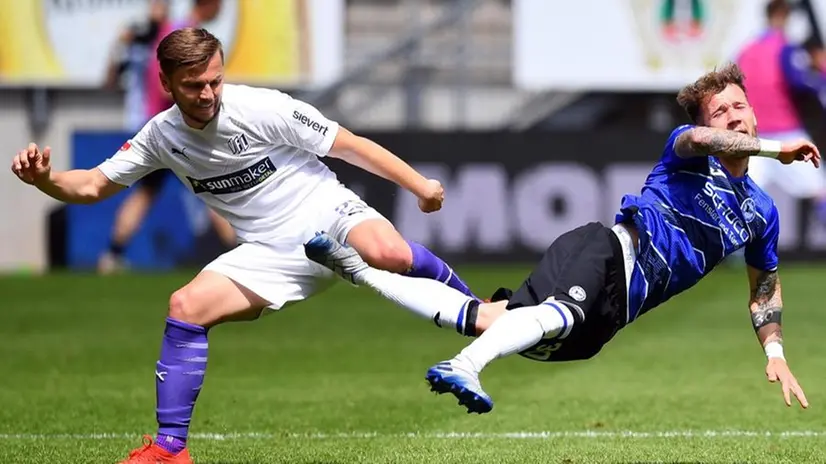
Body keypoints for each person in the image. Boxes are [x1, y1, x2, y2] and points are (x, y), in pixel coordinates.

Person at [11, 28, 476, 463]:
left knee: (388, 254)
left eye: (215, 80)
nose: (208, 93)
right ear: (166, 83)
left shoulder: (261, 108)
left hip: (325, 212)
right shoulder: (160, 136)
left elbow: (349, 145)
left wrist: (421, 186)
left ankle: (480, 313)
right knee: (186, 305)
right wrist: (45, 180)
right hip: (268, 251)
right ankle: (171, 450)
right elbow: (92, 185)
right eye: (193, 85)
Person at [304, 63, 815, 416]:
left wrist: (775, 353)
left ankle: (358, 269)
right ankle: (464, 367)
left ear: (754, 112)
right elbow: (703, 139)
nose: (732, 116)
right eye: (720, 110)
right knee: (557, 315)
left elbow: (764, 286)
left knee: (490, 319)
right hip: (610, 251)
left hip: (620, 312)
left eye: (739, 106)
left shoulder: (761, 212)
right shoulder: (687, 149)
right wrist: (776, 150)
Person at [98, 0, 235, 274]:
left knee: (146, 193)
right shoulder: (186, 35)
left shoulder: (173, 31)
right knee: (214, 189)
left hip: (158, 127)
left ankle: (111, 256)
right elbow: (164, 86)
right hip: (176, 130)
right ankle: (244, 253)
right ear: (210, 5)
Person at [737, 0, 826, 220]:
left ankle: (728, 254)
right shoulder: (785, 48)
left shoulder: (746, 51)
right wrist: (821, 71)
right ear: (783, 16)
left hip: (753, 135)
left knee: (740, 200)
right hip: (786, 132)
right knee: (819, 192)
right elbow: (801, 83)